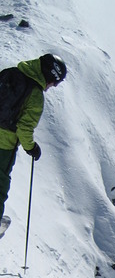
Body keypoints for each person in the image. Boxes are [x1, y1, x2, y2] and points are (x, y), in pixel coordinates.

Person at [0, 54, 67, 237]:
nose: (52, 87)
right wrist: (31, 147)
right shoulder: (35, 94)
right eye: (55, 82)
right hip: (4, 145)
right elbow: (24, 128)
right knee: (0, 184)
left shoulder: (11, 73)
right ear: (50, 75)